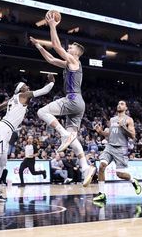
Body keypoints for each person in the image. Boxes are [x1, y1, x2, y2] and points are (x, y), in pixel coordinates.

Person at [30, 11, 95, 187]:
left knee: (41, 111)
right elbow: (51, 59)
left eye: (72, 47)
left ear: (77, 53)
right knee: (73, 139)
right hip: (78, 104)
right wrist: (38, 46)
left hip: (73, 99)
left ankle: (64, 134)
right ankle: (85, 167)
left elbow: (57, 47)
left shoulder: (74, 61)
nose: (69, 48)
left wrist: (52, 25)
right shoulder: (69, 63)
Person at [0, 75, 55, 206]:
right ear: (21, 89)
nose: (27, 87)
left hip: (6, 130)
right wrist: (51, 82)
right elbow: (44, 91)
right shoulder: (24, 95)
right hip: (2, 129)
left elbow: (2, 106)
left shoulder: (13, 99)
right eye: (25, 86)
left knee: (3, 162)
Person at [93, 100, 142, 204]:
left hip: (121, 148)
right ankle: (101, 194)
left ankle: (133, 181)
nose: (119, 105)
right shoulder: (112, 119)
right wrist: (101, 132)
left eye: (122, 104)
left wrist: (123, 127)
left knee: (120, 174)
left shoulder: (129, 120)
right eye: (118, 103)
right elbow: (110, 134)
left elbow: (133, 136)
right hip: (110, 146)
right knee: (101, 166)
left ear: (126, 108)